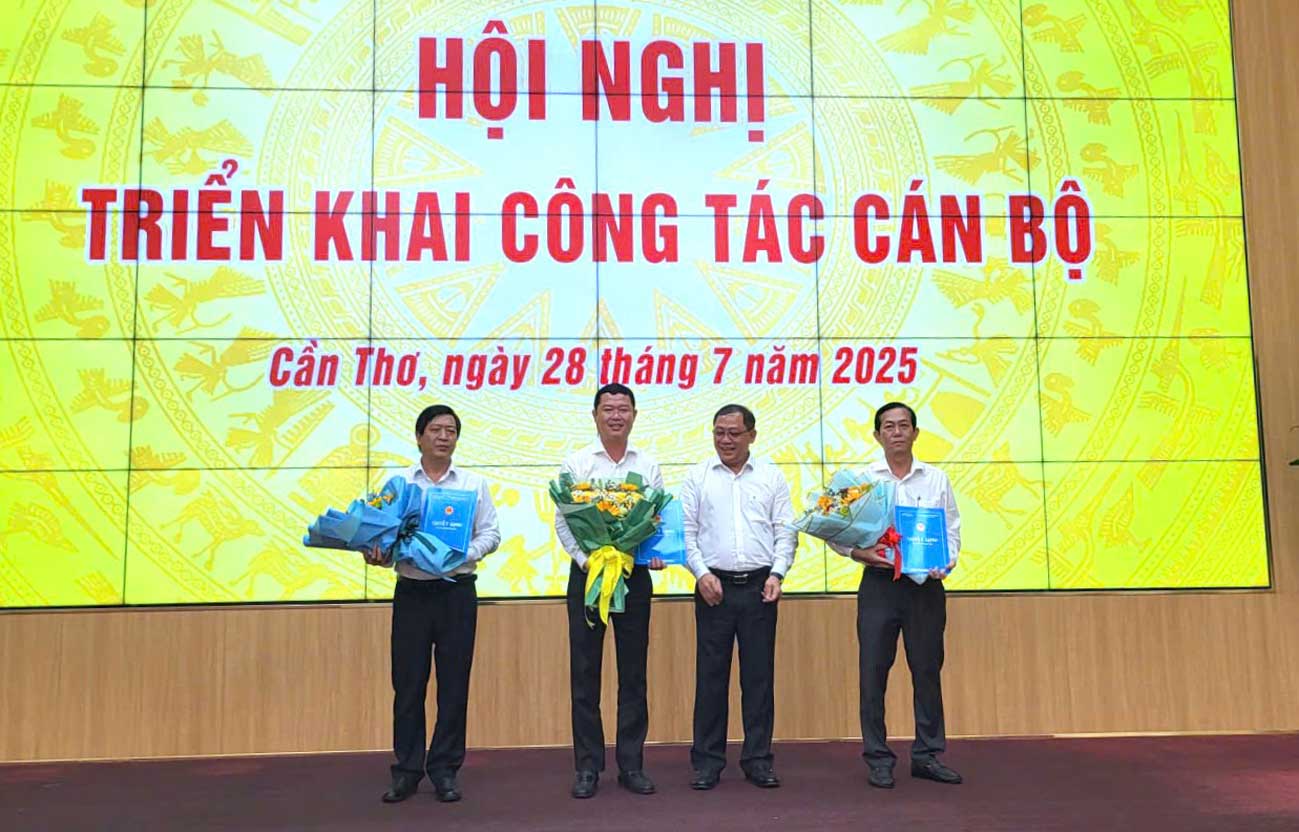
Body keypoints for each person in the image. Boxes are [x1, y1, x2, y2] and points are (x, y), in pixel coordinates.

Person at [367, 404, 500, 804]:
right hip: (413, 593)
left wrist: (464, 554)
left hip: (457, 592)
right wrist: (377, 553)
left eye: (451, 431)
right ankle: (407, 769)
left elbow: (491, 533)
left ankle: (444, 769)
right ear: (419, 435)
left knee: (454, 685)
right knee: (407, 685)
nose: (444, 437)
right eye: (437, 430)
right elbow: (382, 536)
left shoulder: (472, 484)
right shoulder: (398, 484)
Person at [830, 401, 962, 789]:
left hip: (925, 589)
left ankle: (927, 754)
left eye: (905, 425)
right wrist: (858, 552)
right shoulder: (862, 479)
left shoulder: (935, 479)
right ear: (877, 435)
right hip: (878, 586)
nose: (897, 432)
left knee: (927, 670)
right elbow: (837, 532)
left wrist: (946, 561)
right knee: (873, 672)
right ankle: (877, 757)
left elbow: (951, 529)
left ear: (916, 433)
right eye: (889, 426)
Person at [555, 383, 666, 798]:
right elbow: (565, 521)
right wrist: (589, 563)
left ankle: (632, 765)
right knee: (585, 672)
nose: (616, 415)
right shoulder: (578, 463)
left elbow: (655, 520)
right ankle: (587, 767)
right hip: (588, 577)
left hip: (634, 578)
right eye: (608, 409)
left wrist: (652, 554)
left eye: (623, 409)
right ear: (595, 415)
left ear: (634, 415)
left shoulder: (648, 464)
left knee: (633, 673)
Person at [681, 404, 796, 791]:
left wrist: (778, 573)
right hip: (713, 588)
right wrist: (701, 574)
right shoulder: (697, 477)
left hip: (761, 587)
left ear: (752, 435)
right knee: (711, 679)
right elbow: (687, 533)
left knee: (759, 678)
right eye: (718, 433)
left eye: (733, 433)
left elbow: (786, 530)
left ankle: (758, 759)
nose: (725, 440)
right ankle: (708, 762)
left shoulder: (771, 476)